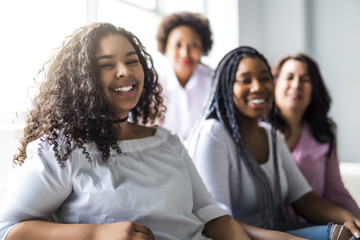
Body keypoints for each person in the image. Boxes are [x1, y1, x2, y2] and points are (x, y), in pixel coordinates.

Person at [0, 22, 255, 240]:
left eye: (132, 61)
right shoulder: (63, 150)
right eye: (107, 64)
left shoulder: (167, 141)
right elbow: (8, 229)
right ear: (81, 78)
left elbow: (208, 214)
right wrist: (95, 234)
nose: (125, 71)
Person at [187, 46, 360, 240]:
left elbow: (305, 199)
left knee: (346, 234)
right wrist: (283, 238)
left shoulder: (272, 136)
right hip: (233, 236)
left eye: (264, 78)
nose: (257, 87)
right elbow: (215, 220)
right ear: (227, 87)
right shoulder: (213, 134)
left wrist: (351, 219)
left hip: (274, 232)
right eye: (245, 80)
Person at [272, 53, 360, 222]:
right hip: (265, 227)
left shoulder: (323, 136)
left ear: (314, 88)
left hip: (309, 225)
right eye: (289, 77)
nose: (296, 85)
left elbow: (336, 191)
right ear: (275, 84)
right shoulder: (258, 129)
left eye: (305, 79)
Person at [155, 11, 213, 140]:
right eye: (177, 45)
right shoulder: (152, 82)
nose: (185, 54)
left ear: (203, 48)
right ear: (166, 47)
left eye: (193, 45)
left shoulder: (213, 81)